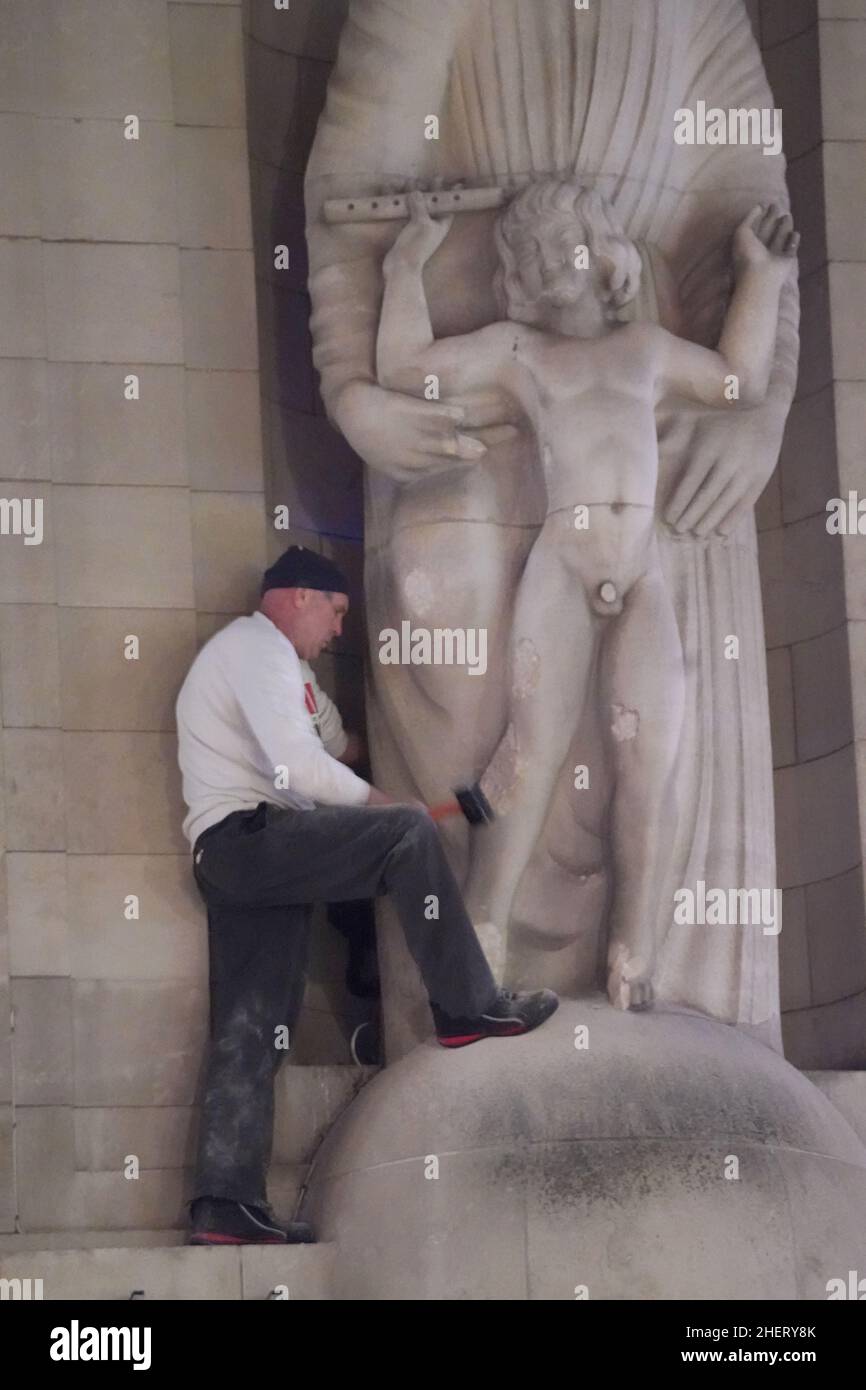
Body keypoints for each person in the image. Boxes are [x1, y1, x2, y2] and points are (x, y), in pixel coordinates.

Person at [376, 186, 799, 1012]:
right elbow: (405, 369)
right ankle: (483, 941)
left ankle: (632, 954)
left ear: (599, 249)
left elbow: (740, 382)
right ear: (517, 276)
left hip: (642, 574)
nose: (545, 258)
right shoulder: (519, 352)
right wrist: (403, 267)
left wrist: (762, 276)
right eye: (526, 248)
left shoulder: (643, 348)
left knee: (647, 763)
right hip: (564, 568)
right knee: (528, 757)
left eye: (561, 239)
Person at [175, 544, 559, 1245]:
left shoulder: (283, 670)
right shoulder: (252, 647)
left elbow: (330, 742)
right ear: (297, 597)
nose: (340, 630)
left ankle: (222, 1207)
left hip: (242, 859)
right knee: (405, 842)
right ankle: (470, 1007)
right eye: (337, 611)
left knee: (251, 1027)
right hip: (249, 840)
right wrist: (394, 807)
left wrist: (389, 758)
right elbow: (298, 767)